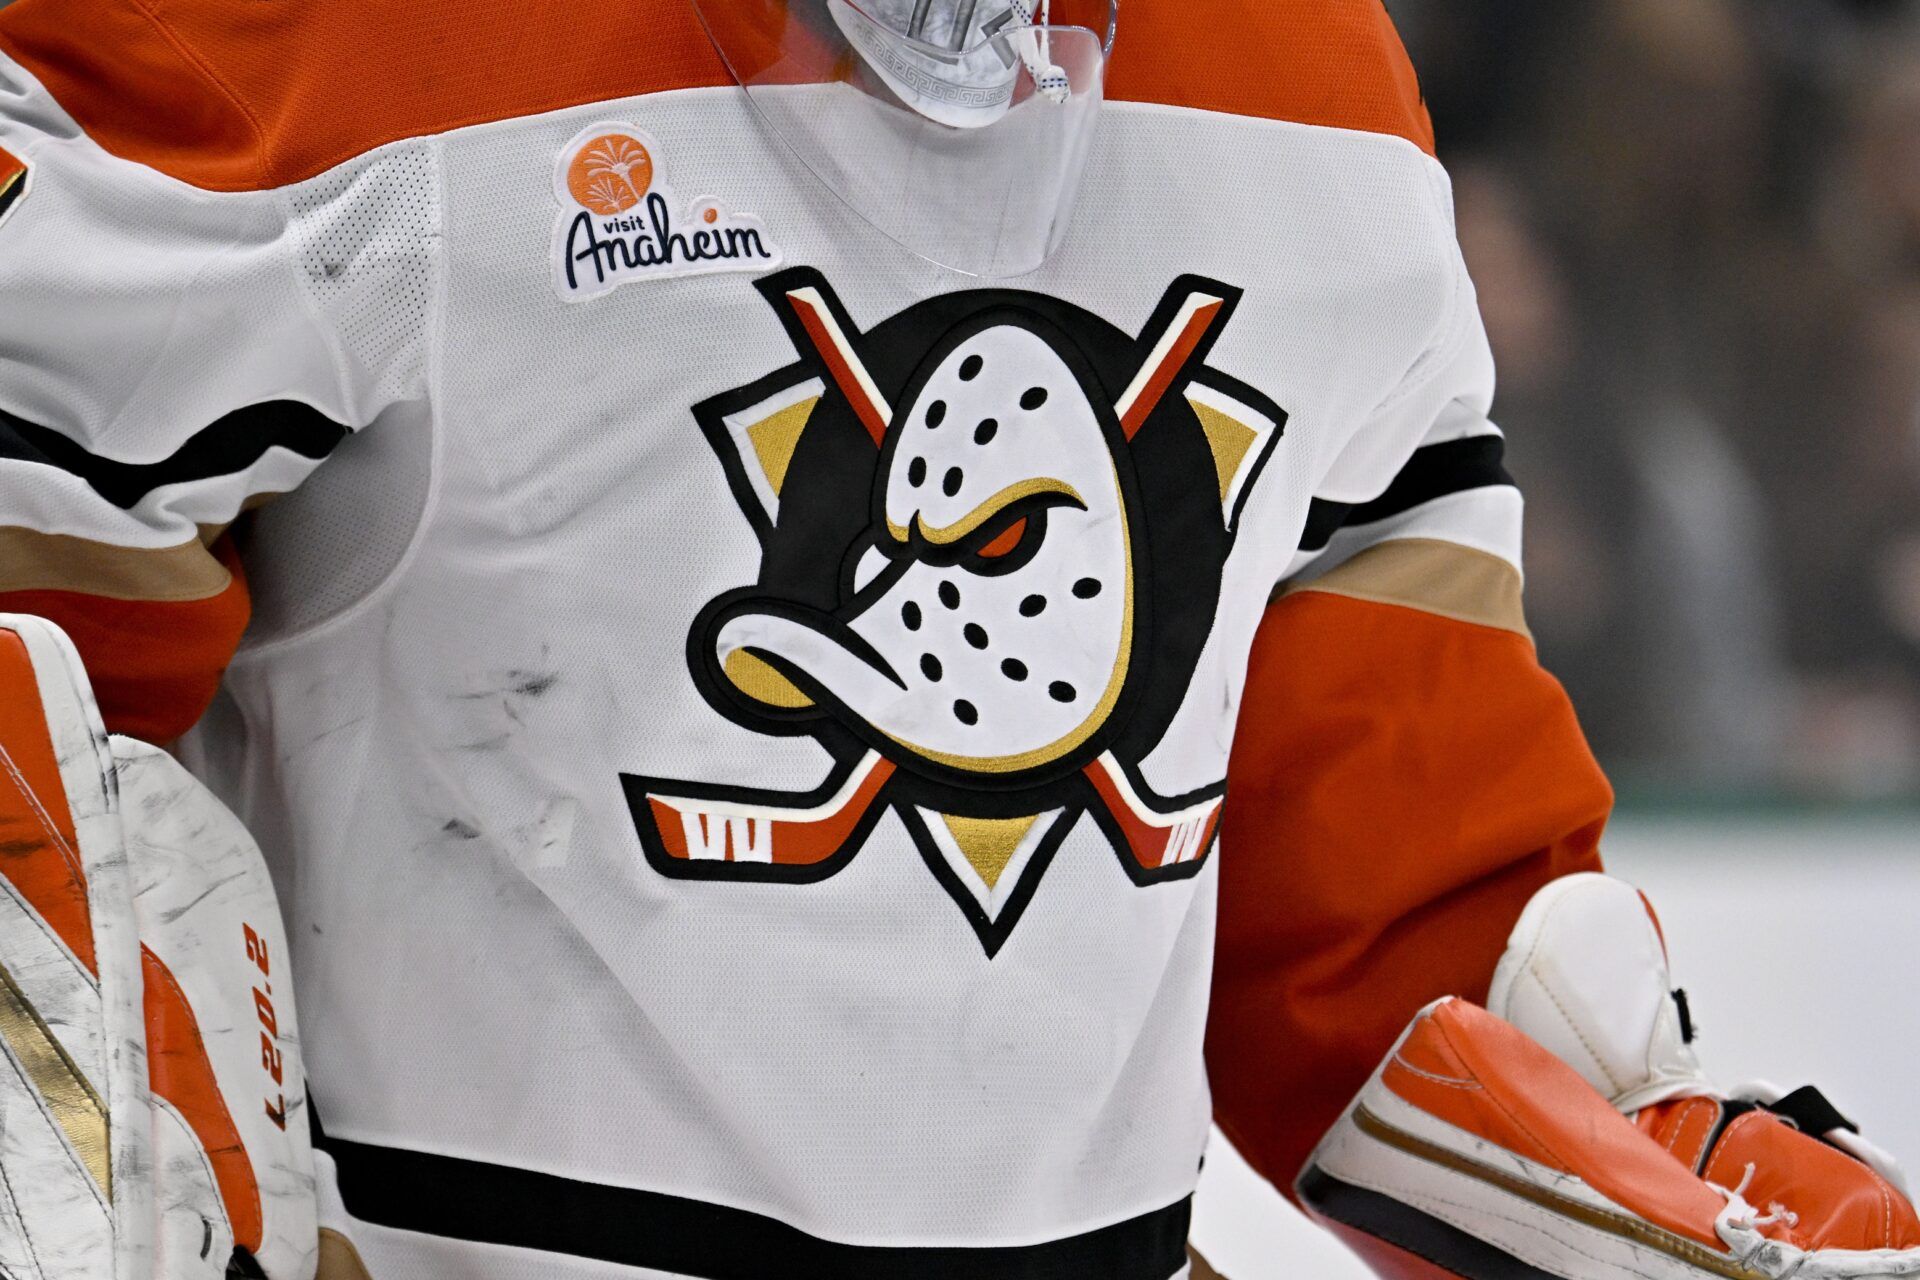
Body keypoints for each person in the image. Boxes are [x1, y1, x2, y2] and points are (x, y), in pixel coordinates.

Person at [0, 2, 1911, 1277]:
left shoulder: (1307, 94)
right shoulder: (314, 42)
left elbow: (1382, 914)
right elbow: (44, 743)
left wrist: (1640, 1150)